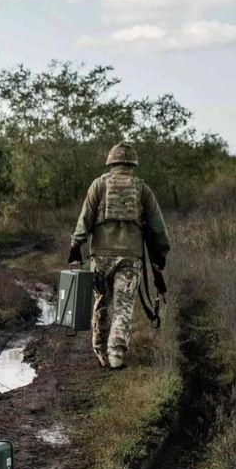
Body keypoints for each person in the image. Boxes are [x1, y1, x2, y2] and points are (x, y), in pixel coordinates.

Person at [70, 141, 170, 369]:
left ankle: (100, 350)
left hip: (101, 256)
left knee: (102, 302)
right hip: (130, 257)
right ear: (132, 163)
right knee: (124, 305)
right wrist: (160, 253)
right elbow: (157, 226)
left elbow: (85, 216)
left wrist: (76, 244)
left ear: (111, 162)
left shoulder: (98, 185)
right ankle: (117, 354)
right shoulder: (142, 189)